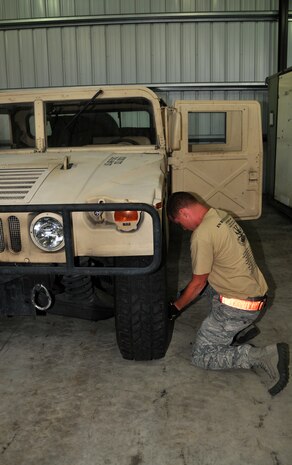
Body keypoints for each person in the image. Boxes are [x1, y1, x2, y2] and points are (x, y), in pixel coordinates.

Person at [167, 191, 289, 396]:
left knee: (201, 355)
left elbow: (198, 283)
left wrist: (175, 308)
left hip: (240, 305)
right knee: (199, 288)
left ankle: (262, 356)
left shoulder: (202, 235)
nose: (183, 228)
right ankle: (238, 331)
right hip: (256, 292)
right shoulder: (220, 215)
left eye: (180, 222)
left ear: (184, 212)